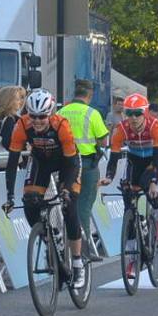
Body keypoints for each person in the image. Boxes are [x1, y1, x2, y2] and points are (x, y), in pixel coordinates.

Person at [3, 89, 86, 288]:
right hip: (41, 162)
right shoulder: (22, 125)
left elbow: (72, 163)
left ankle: (77, 263)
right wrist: (10, 196)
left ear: (50, 113)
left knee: (69, 206)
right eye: (33, 116)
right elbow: (12, 162)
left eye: (42, 116)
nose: (37, 121)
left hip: (67, 164)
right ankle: (50, 236)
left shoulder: (62, 126)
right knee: (30, 202)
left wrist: (66, 190)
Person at [100, 94, 158, 277]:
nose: (133, 118)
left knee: (150, 189)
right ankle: (131, 262)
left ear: (144, 113)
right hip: (134, 161)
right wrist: (108, 176)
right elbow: (114, 156)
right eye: (129, 113)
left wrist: (154, 182)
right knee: (128, 199)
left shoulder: (155, 125)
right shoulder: (121, 128)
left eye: (137, 114)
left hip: (155, 160)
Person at [57, 79, 109, 262]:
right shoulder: (92, 113)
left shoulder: (61, 112)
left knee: (68, 207)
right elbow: (104, 141)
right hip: (86, 165)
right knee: (84, 208)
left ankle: (67, 250)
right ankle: (82, 252)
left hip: (64, 165)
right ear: (89, 95)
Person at [0, 86, 25, 167]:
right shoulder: (10, 119)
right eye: (17, 99)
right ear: (9, 101)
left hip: (1, 162)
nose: (20, 102)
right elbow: (7, 141)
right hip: (10, 163)